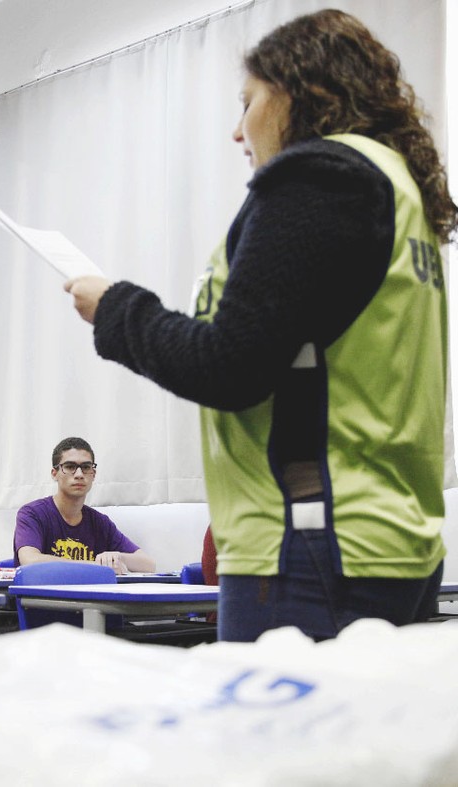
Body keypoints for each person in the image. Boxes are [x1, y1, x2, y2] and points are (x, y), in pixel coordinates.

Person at [65, 10, 455, 642]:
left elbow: (230, 364)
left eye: (246, 101)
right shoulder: (395, 189)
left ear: (297, 91)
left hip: (310, 543)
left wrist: (115, 308)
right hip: (388, 539)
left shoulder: (318, 177)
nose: (236, 130)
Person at [14, 437, 156, 573]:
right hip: (40, 596)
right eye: (70, 467)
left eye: (86, 467)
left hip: (89, 597)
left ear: (93, 474)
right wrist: (98, 566)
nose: (79, 474)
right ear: (54, 473)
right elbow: (30, 561)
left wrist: (117, 557)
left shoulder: (100, 522)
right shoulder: (32, 514)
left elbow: (148, 565)